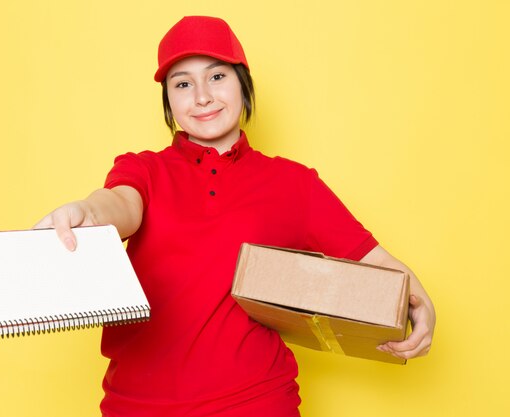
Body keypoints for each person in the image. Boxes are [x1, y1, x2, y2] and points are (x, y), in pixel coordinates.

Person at [34, 16, 435, 417]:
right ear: (169, 101)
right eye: (183, 84)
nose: (203, 96)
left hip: (258, 402)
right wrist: (87, 211)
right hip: (139, 406)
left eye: (217, 76)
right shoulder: (145, 170)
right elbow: (119, 205)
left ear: (243, 83)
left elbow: (379, 264)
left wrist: (422, 307)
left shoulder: (294, 184)